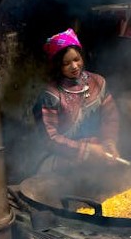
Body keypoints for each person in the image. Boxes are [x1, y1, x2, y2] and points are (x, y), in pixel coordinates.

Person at [33, 28, 123, 173]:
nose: (74, 66)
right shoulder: (51, 95)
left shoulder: (97, 82)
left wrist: (109, 142)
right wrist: (86, 150)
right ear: (57, 65)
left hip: (97, 154)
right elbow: (49, 139)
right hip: (60, 158)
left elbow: (110, 117)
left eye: (76, 59)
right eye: (66, 63)